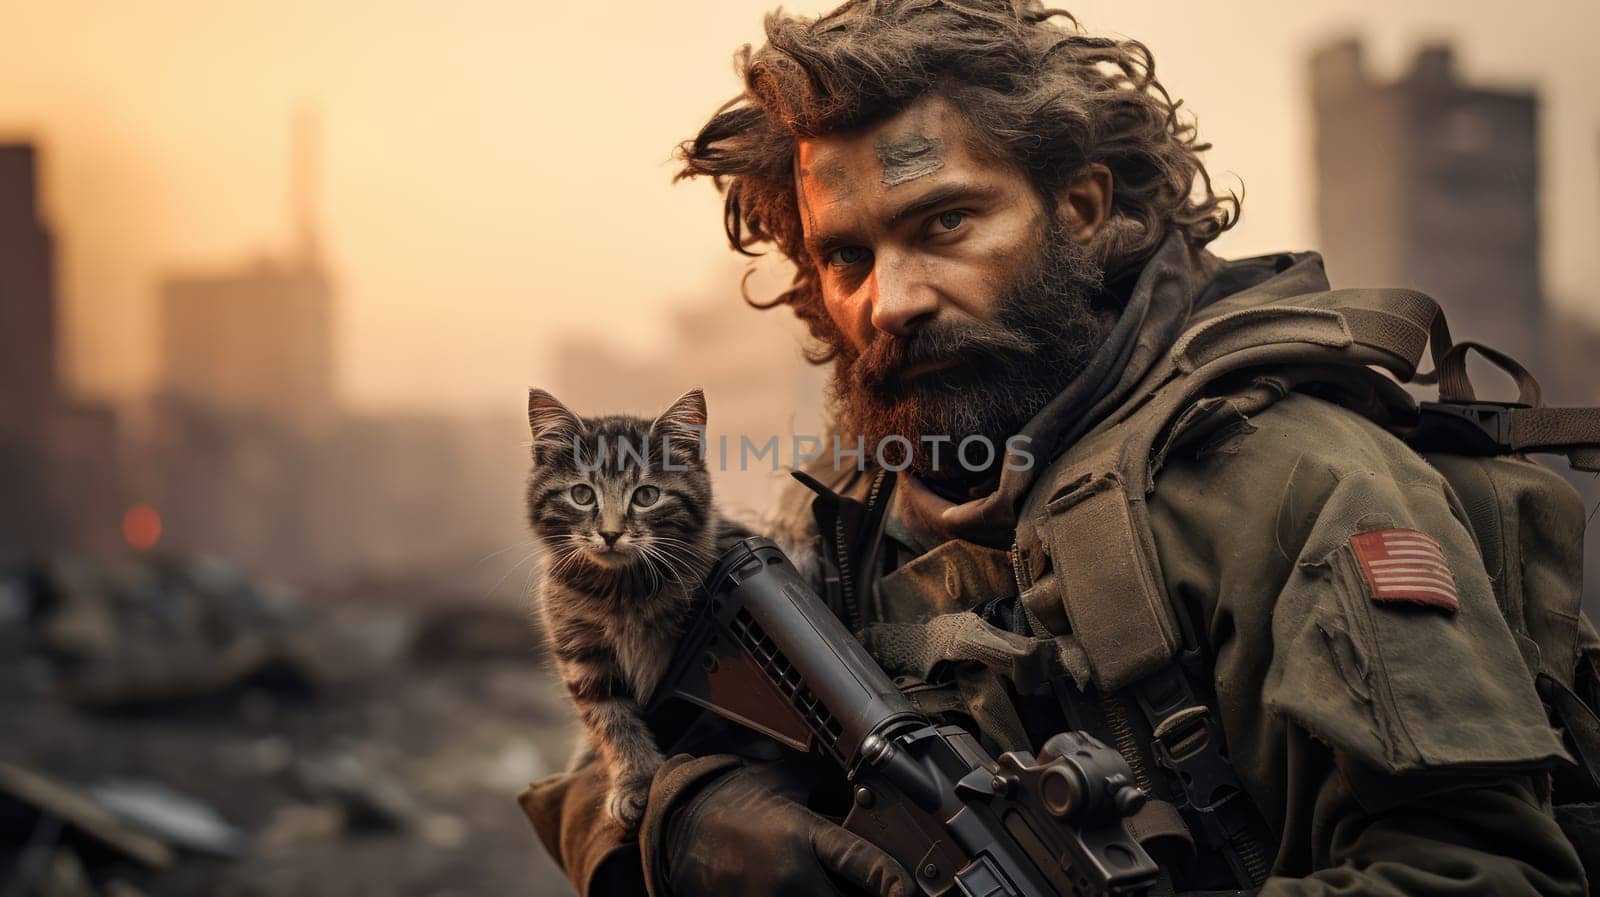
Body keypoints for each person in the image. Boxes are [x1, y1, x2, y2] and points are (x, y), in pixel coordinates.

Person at [519, 2, 1591, 894]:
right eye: (845, 256)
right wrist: (696, 828)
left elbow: (1484, 873)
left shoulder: (1301, 483)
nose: (888, 301)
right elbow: (603, 771)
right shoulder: (844, 508)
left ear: (1078, 208)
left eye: (943, 224)